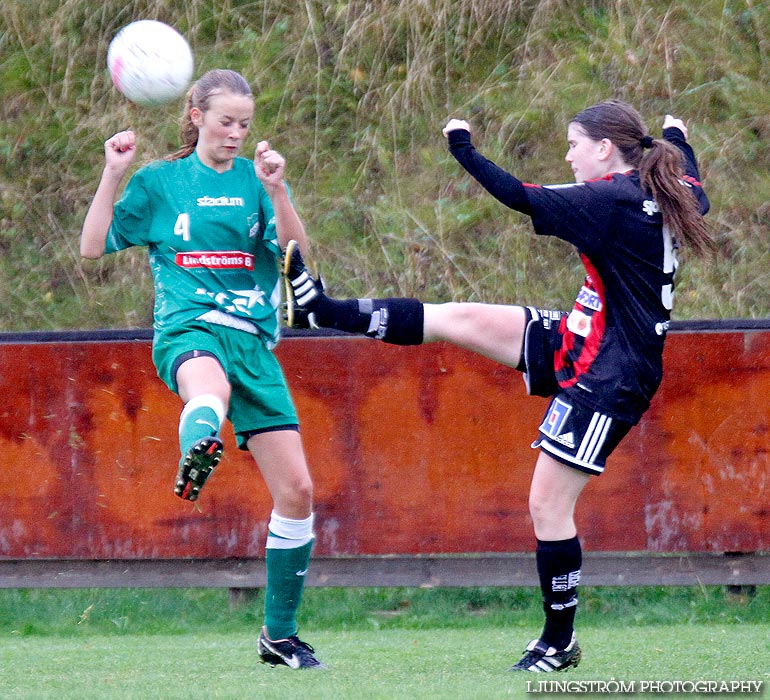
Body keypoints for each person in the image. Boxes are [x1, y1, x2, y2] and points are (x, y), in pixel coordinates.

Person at [282, 100, 712, 672]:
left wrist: (464, 149)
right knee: (461, 319)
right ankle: (322, 310)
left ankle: (559, 642)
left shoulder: (609, 200)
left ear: (605, 149)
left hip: (609, 373)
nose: (568, 154)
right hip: (586, 335)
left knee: (547, 505)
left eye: (574, 143)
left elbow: (517, 194)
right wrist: (677, 134)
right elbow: (692, 178)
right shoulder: (665, 186)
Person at [80, 68, 325, 670]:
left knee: (297, 492)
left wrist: (279, 192)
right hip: (188, 329)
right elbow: (92, 245)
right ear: (196, 117)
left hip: (253, 344)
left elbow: (297, 258)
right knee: (206, 389)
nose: (237, 133)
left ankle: (279, 635)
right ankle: (198, 444)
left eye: (245, 123)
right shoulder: (161, 181)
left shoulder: (255, 179)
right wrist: (113, 171)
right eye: (225, 122)